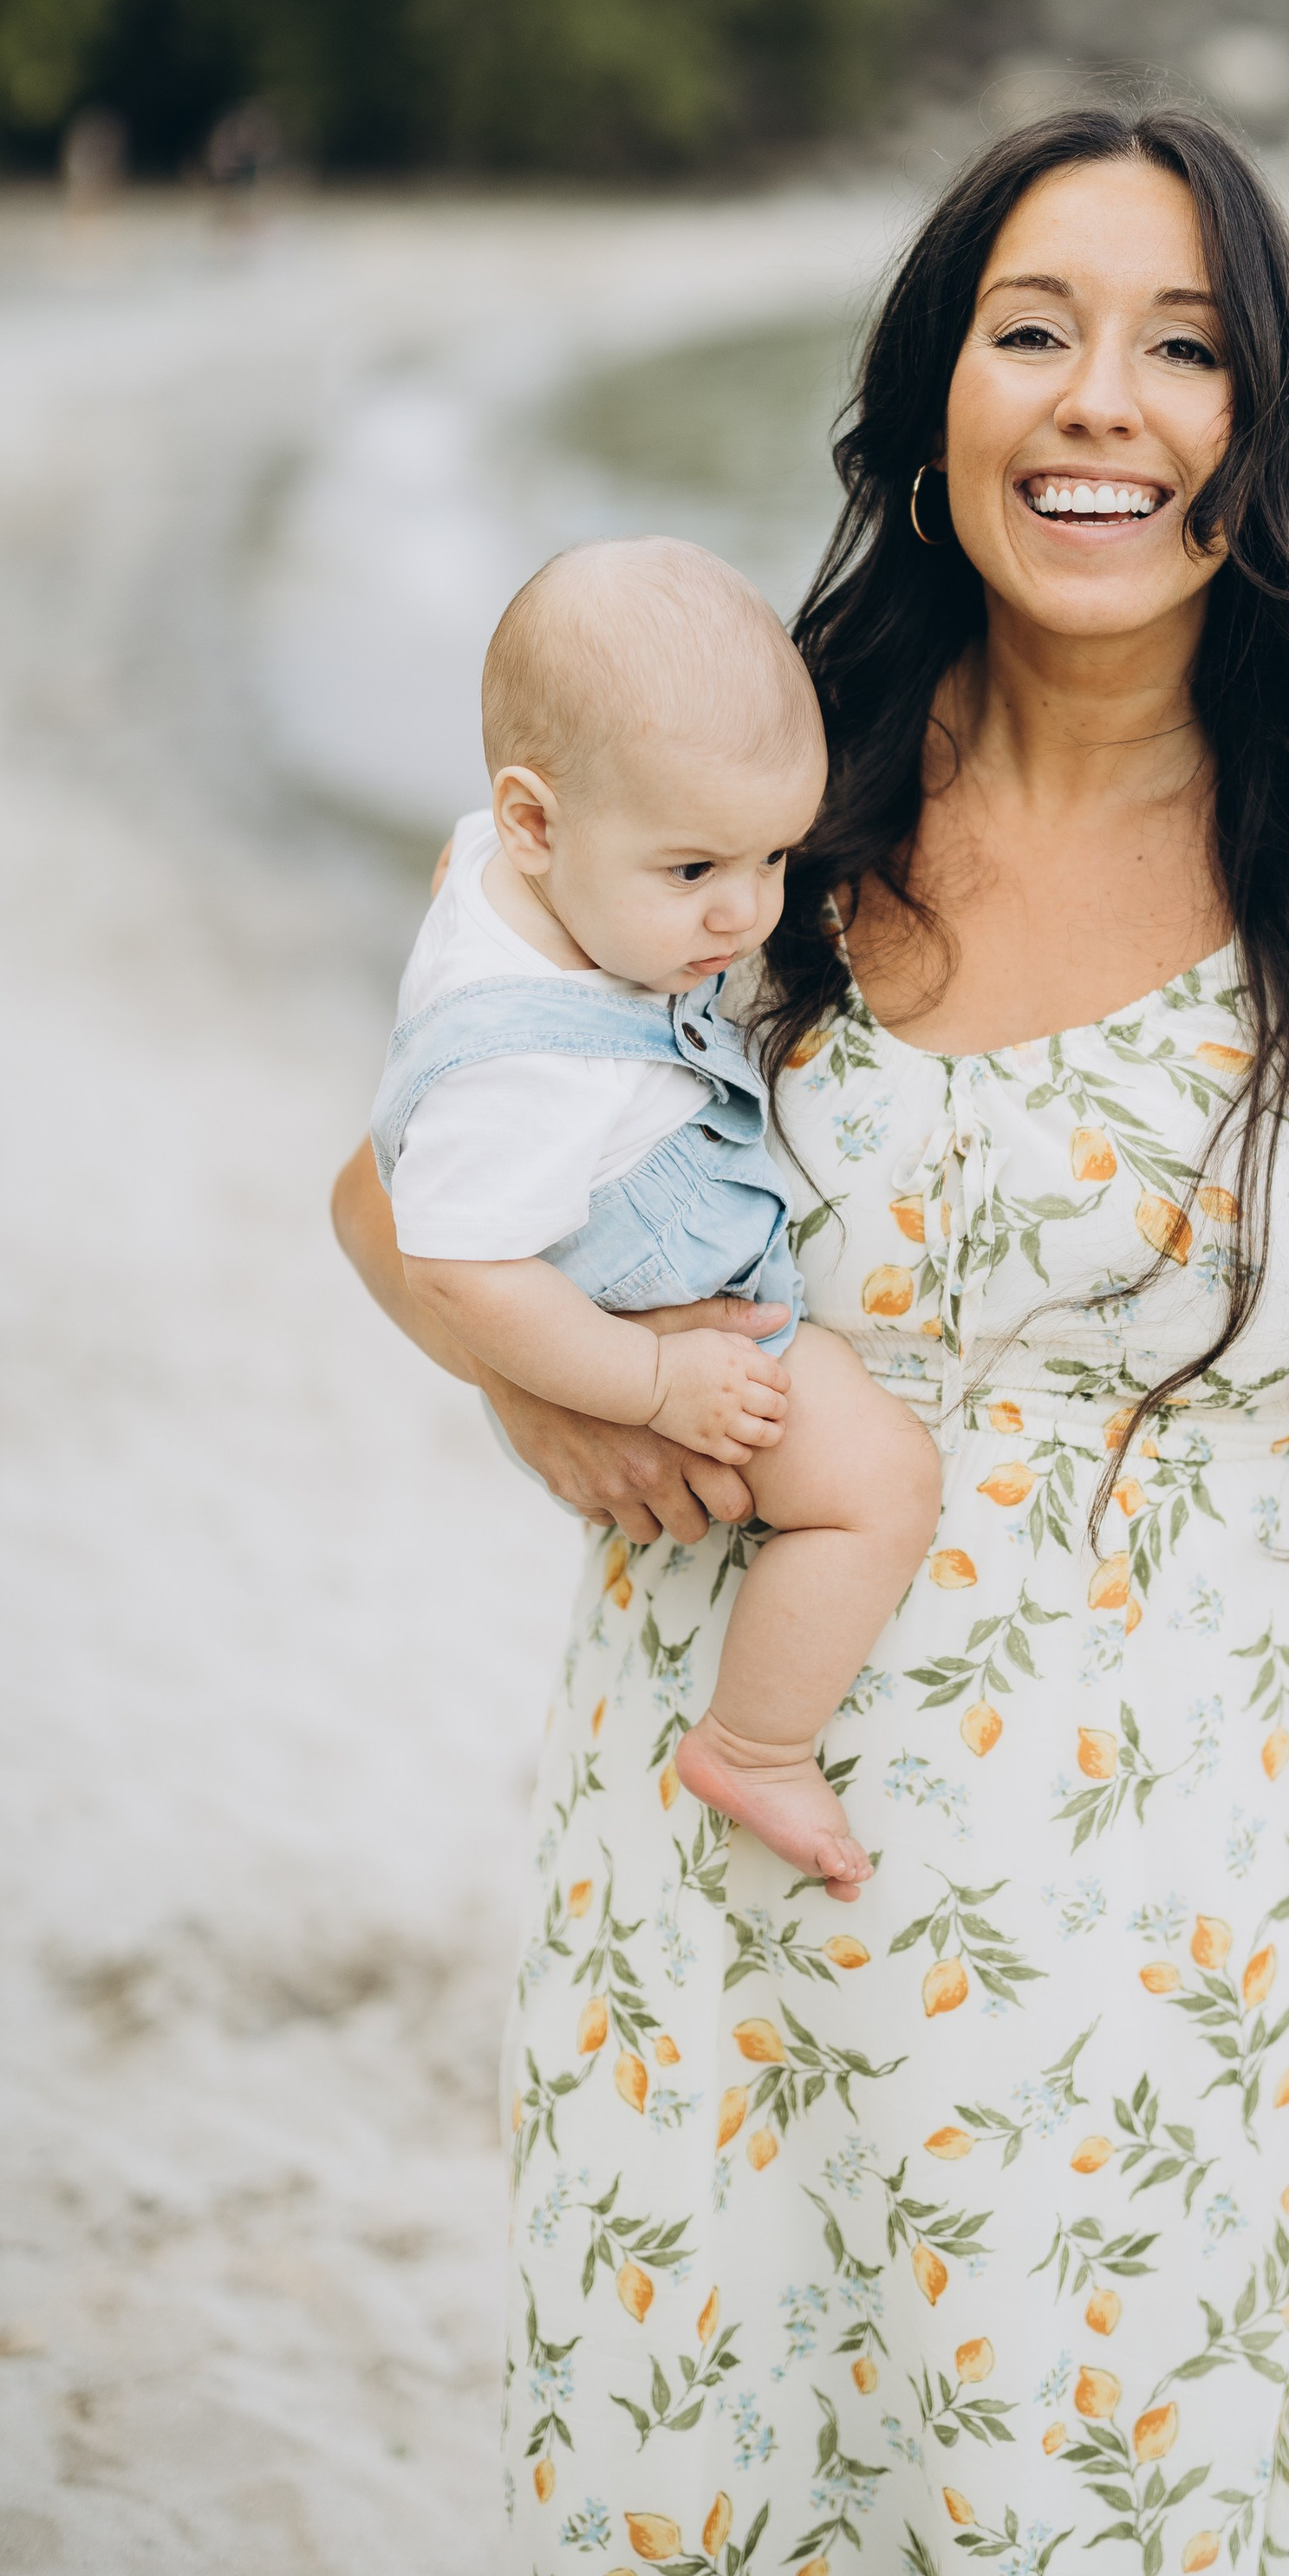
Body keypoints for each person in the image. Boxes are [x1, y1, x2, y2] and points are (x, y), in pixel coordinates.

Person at [333, 106, 1289, 2576]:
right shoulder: (752, 777)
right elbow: (412, 1166)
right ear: (936, 391)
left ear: (1264, 422)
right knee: (695, 2547)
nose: (1106, 401)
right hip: (719, 1886)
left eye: (1185, 346)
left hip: (1170, 1925)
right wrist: (539, 1378)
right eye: (1037, 331)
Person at [371, 538, 939, 1894]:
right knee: (878, 1485)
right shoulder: (528, 1062)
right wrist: (650, 1379)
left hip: (644, 1290)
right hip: (648, 1322)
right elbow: (454, 1263)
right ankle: (757, 1743)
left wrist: (669, 875)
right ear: (534, 821)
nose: (746, 914)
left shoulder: (509, 881)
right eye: (692, 871)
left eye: (775, 858)